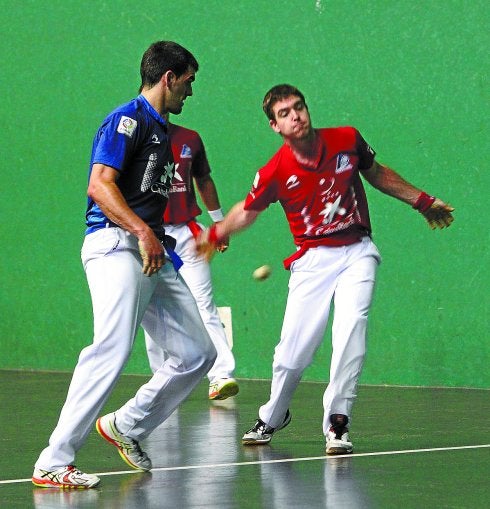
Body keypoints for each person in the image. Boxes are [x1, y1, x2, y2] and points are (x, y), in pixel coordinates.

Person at [197, 84, 454, 455]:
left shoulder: (346, 140)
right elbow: (247, 211)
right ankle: (273, 415)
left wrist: (423, 201)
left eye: (298, 107)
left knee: (351, 330)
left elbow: (378, 174)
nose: (296, 116)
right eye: (285, 113)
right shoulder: (274, 171)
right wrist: (217, 231)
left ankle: (338, 421)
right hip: (312, 260)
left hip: (357, 252)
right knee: (292, 355)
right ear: (275, 126)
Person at [32, 41, 217, 489]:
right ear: (168, 78)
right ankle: (53, 460)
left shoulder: (163, 131)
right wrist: (142, 232)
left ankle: (127, 424)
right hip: (116, 244)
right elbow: (100, 185)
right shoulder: (127, 120)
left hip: (151, 251)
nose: (191, 92)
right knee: (111, 348)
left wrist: (153, 237)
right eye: (188, 81)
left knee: (198, 353)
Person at [144, 116, 238, 400]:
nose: (187, 95)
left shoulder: (190, 138)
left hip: (188, 235)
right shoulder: (136, 139)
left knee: (204, 304)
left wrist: (219, 224)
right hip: (151, 236)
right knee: (154, 310)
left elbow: (203, 180)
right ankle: (163, 382)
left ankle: (221, 375)